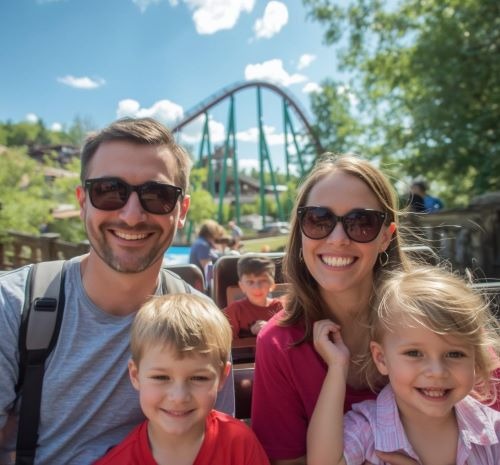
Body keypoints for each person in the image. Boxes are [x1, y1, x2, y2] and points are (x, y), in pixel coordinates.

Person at [0, 117, 234, 465]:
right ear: (83, 201)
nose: (132, 215)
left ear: (181, 210)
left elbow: (217, 446)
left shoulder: (201, 324)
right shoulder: (14, 307)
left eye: (157, 196)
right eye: (109, 191)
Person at [251, 153, 417, 465]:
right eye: (318, 220)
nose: (338, 239)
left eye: (361, 222)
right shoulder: (278, 344)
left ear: (385, 237)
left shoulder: (432, 323)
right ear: (300, 231)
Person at [307, 265, 500, 465]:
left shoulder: (493, 429)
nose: (437, 372)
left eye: (455, 354)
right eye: (414, 353)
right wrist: (337, 367)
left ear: (475, 359)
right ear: (381, 359)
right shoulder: (367, 427)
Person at [93, 294, 270, 465]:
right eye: (161, 377)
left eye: (199, 378)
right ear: (135, 375)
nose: (178, 396)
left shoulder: (240, 445)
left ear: (222, 377)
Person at [224, 255, 283, 339]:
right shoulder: (234, 311)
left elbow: (288, 338)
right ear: (242, 286)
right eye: (250, 282)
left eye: (263, 281)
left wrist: (270, 328)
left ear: (272, 285)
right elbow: (227, 343)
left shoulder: (280, 308)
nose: (257, 287)